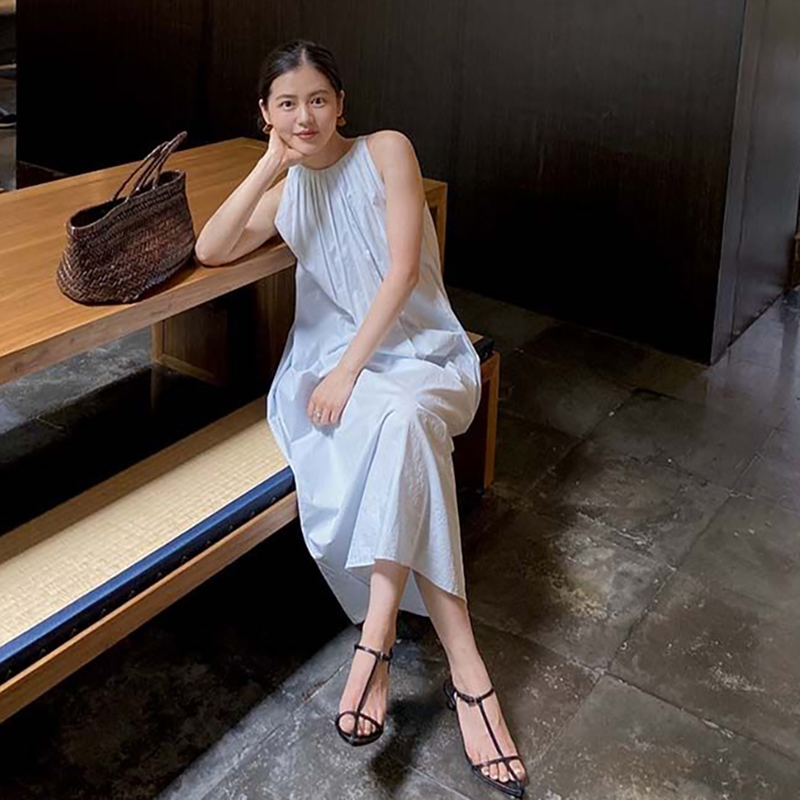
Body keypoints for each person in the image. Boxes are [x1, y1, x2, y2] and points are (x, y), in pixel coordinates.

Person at [195, 39, 529, 797]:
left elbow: (404, 272)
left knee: (407, 412)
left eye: (318, 99)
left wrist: (351, 371)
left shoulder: (386, 151)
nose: (305, 117)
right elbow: (212, 249)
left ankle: (375, 638)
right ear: (265, 114)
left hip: (422, 355)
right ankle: (467, 672)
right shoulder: (287, 193)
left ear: (341, 104)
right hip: (327, 369)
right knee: (407, 429)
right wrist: (268, 164)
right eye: (287, 104)